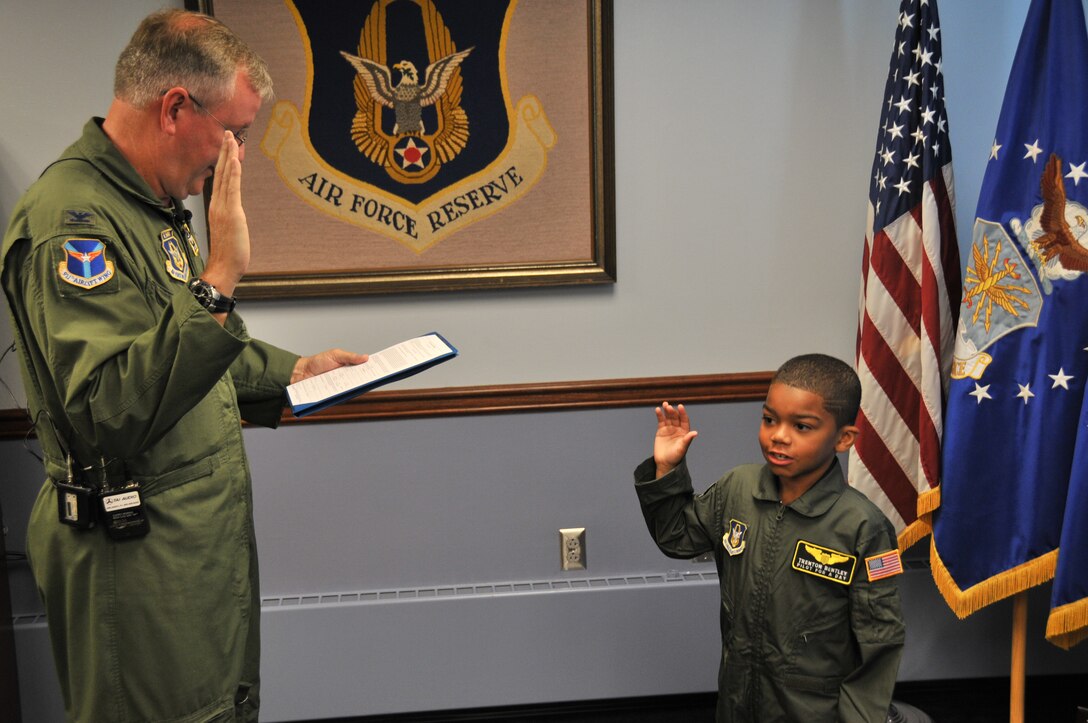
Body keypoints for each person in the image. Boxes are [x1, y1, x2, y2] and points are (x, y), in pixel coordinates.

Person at [0, 9, 368, 722]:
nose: (234, 155)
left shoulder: (153, 210)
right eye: (234, 133)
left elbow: (193, 356)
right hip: (132, 565)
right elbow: (103, 408)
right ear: (175, 107)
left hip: (189, 553)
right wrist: (221, 272)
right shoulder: (73, 221)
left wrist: (295, 374)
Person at [634, 354, 905, 722]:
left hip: (813, 711)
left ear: (843, 439)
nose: (779, 435)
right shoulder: (738, 489)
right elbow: (677, 537)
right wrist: (667, 469)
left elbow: (879, 641)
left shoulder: (862, 526)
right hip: (738, 700)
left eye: (802, 427)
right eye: (769, 420)